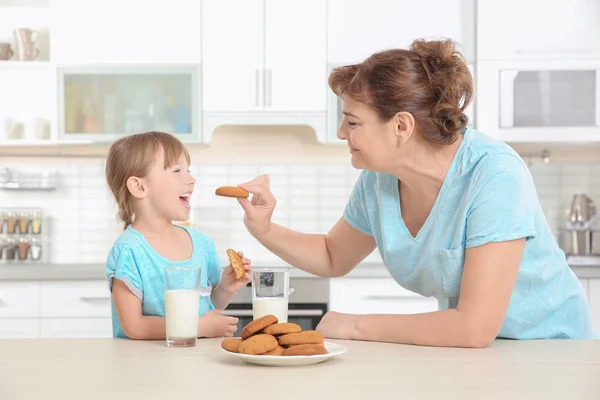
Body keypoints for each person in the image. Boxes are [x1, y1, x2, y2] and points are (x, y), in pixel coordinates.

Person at [236, 38, 598, 347]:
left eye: (353, 121)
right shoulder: (379, 180)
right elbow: (333, 255)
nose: (341, 133)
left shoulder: (494, 174)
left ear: (401, 126)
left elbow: (474, 327)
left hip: (551, 350)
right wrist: (264, 229)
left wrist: (354, 325)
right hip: (476, 356)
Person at [104, 131, 249, 340]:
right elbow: (134, 326)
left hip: (194, 363)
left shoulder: (201, 244)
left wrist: (226, 289)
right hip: (143, 367)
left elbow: (205, 306)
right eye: (177, 171)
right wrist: (196, 327)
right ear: (139, 186)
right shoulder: (130, 251)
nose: (191, 179)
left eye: (188, 170)